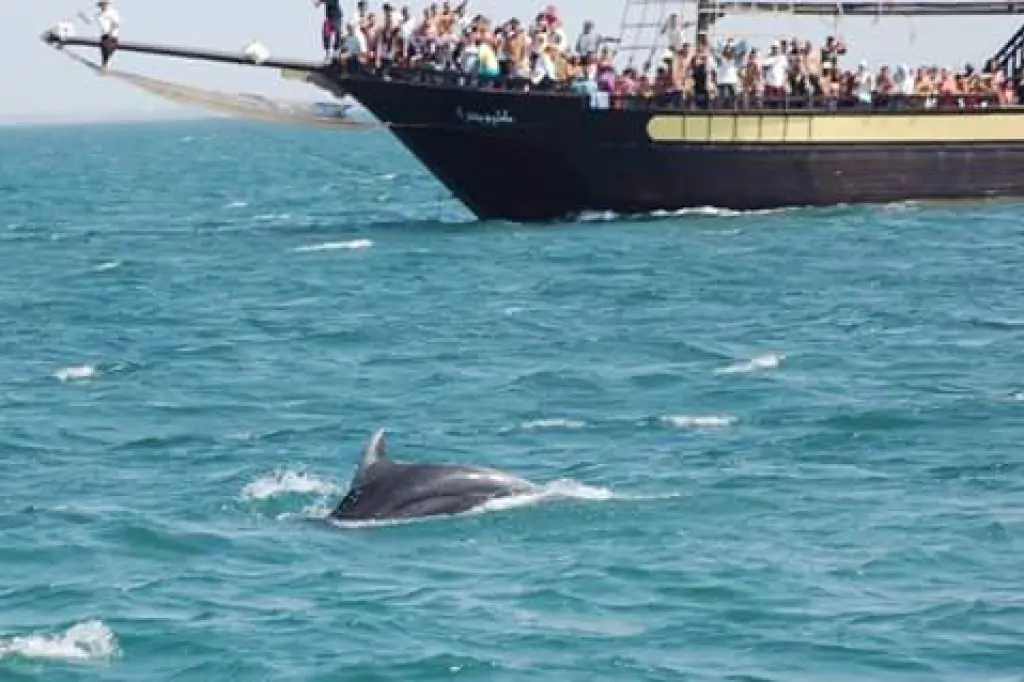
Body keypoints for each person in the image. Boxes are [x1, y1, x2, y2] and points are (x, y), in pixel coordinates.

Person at [95, 0, 121, 72]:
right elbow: (89, 21)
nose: (103, 6)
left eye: (104, 4)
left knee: (108, 50)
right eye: (101, 5)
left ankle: (106, 66)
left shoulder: (112, 13)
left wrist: (111, 30)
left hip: (112, 36)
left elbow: (117, 23)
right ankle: (104, 66)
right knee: (104, 52)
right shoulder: (99, 15)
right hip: (104, 36)